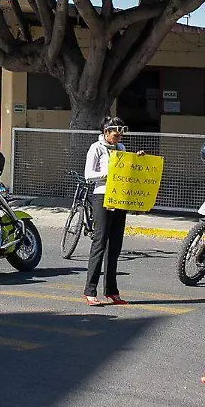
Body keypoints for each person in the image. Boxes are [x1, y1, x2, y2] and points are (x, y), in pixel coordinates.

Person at [82, 116, 144, 306]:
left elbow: (127, 170)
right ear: (105, 133)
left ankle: (111, 290)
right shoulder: (96, 148)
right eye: (115, 134)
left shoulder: (122, 149)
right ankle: (90, 290)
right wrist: (107, 175)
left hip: (120, 197)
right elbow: (88, 175)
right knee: (100, 241)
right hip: (102, 196)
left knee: (115, 244)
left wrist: (137, 160)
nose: (118, 138)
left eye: (120, 135)